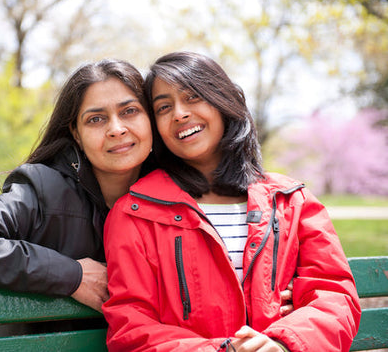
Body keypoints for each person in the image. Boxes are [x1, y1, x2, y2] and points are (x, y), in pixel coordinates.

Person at [102, 51, 361, 351]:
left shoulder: (291, 201)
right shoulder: (135, 214)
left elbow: (333, 294)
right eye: (163, 107)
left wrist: (284, 342)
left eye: (193, 96)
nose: (179, 113)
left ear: (223, 100)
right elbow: (131, 325)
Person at [0, 58, 154, 336]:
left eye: (129, 111)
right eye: (96, 119)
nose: (116, 128)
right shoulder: (44, 190)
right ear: (76, 135)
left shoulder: (174, 197)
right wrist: (71, 275)